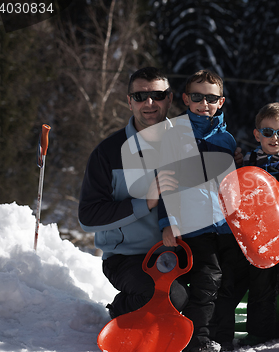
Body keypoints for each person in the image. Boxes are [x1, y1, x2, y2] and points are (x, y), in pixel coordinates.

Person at [78, 67, 186, 320]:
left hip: (183, 252)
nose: (149, 103)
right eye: (139, 96)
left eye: (158, 95)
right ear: (129, 101)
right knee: (170, 298)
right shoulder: (108, 152)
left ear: (169, 98)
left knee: (213, 288)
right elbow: (88, 217)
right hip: (129, 259)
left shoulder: (190, 142)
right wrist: (144, 203)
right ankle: (121, 310)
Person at [213, 103, 279, 351]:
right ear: (257, 134)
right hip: (261, 232)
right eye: (268, 132)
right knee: (261, 282)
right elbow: (237, 191)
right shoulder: (249, 161)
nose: (275, 138)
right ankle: (259, 332)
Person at [157, 69, 238, 352]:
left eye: (211, 98)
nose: (204, 103)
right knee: (207, 277)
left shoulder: (227, 140)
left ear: (221, 101)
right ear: (186, 99)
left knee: (230, 278)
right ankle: (197, 339)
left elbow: (232, 184)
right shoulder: (175, 136)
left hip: (225, 225)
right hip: (194, 224)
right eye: (197, 97)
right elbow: (165, 184)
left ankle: (222, 335)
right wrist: (169, 221)